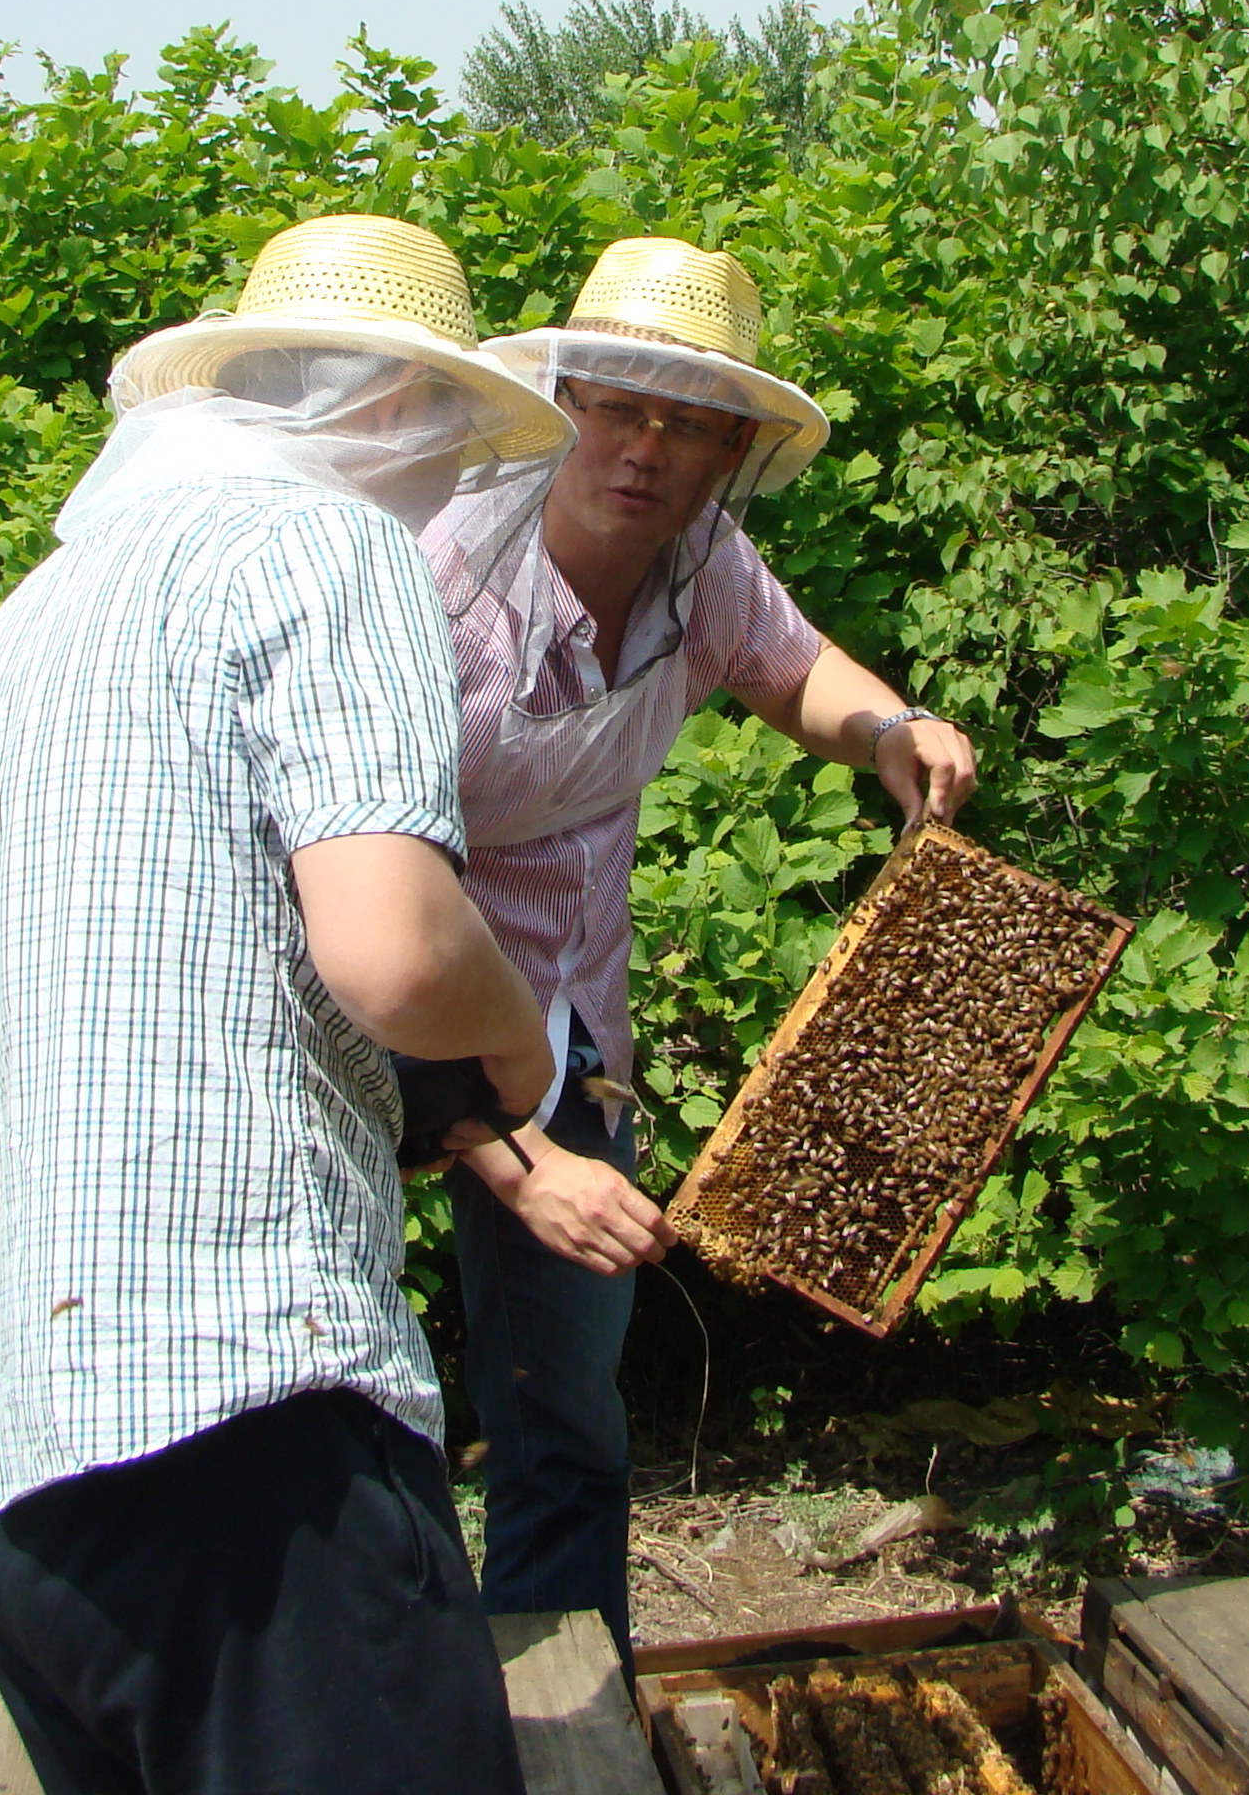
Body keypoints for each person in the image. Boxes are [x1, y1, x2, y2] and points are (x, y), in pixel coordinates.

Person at [0, 214, 578, 1795]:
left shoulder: (44, 607)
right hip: (239, 1423)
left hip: (16, 1467)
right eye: (445, 434)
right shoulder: (322, 543)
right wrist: (515, 1033)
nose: (449, 478)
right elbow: (399, 951)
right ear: (392, 412)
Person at [421, 235, 980, 1660]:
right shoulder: (436, 571)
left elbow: (796, 670)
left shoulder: (705, 563)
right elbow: (346, 894)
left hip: (564, 1026)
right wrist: (494, 1147)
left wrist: (889, 730)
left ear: (734, 449)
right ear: (566, 400)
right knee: (344, 1411)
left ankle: (567, 1716)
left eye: (691, 423)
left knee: (566, 1411)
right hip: (380, 1016)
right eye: (622, 405)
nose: (648, 448)